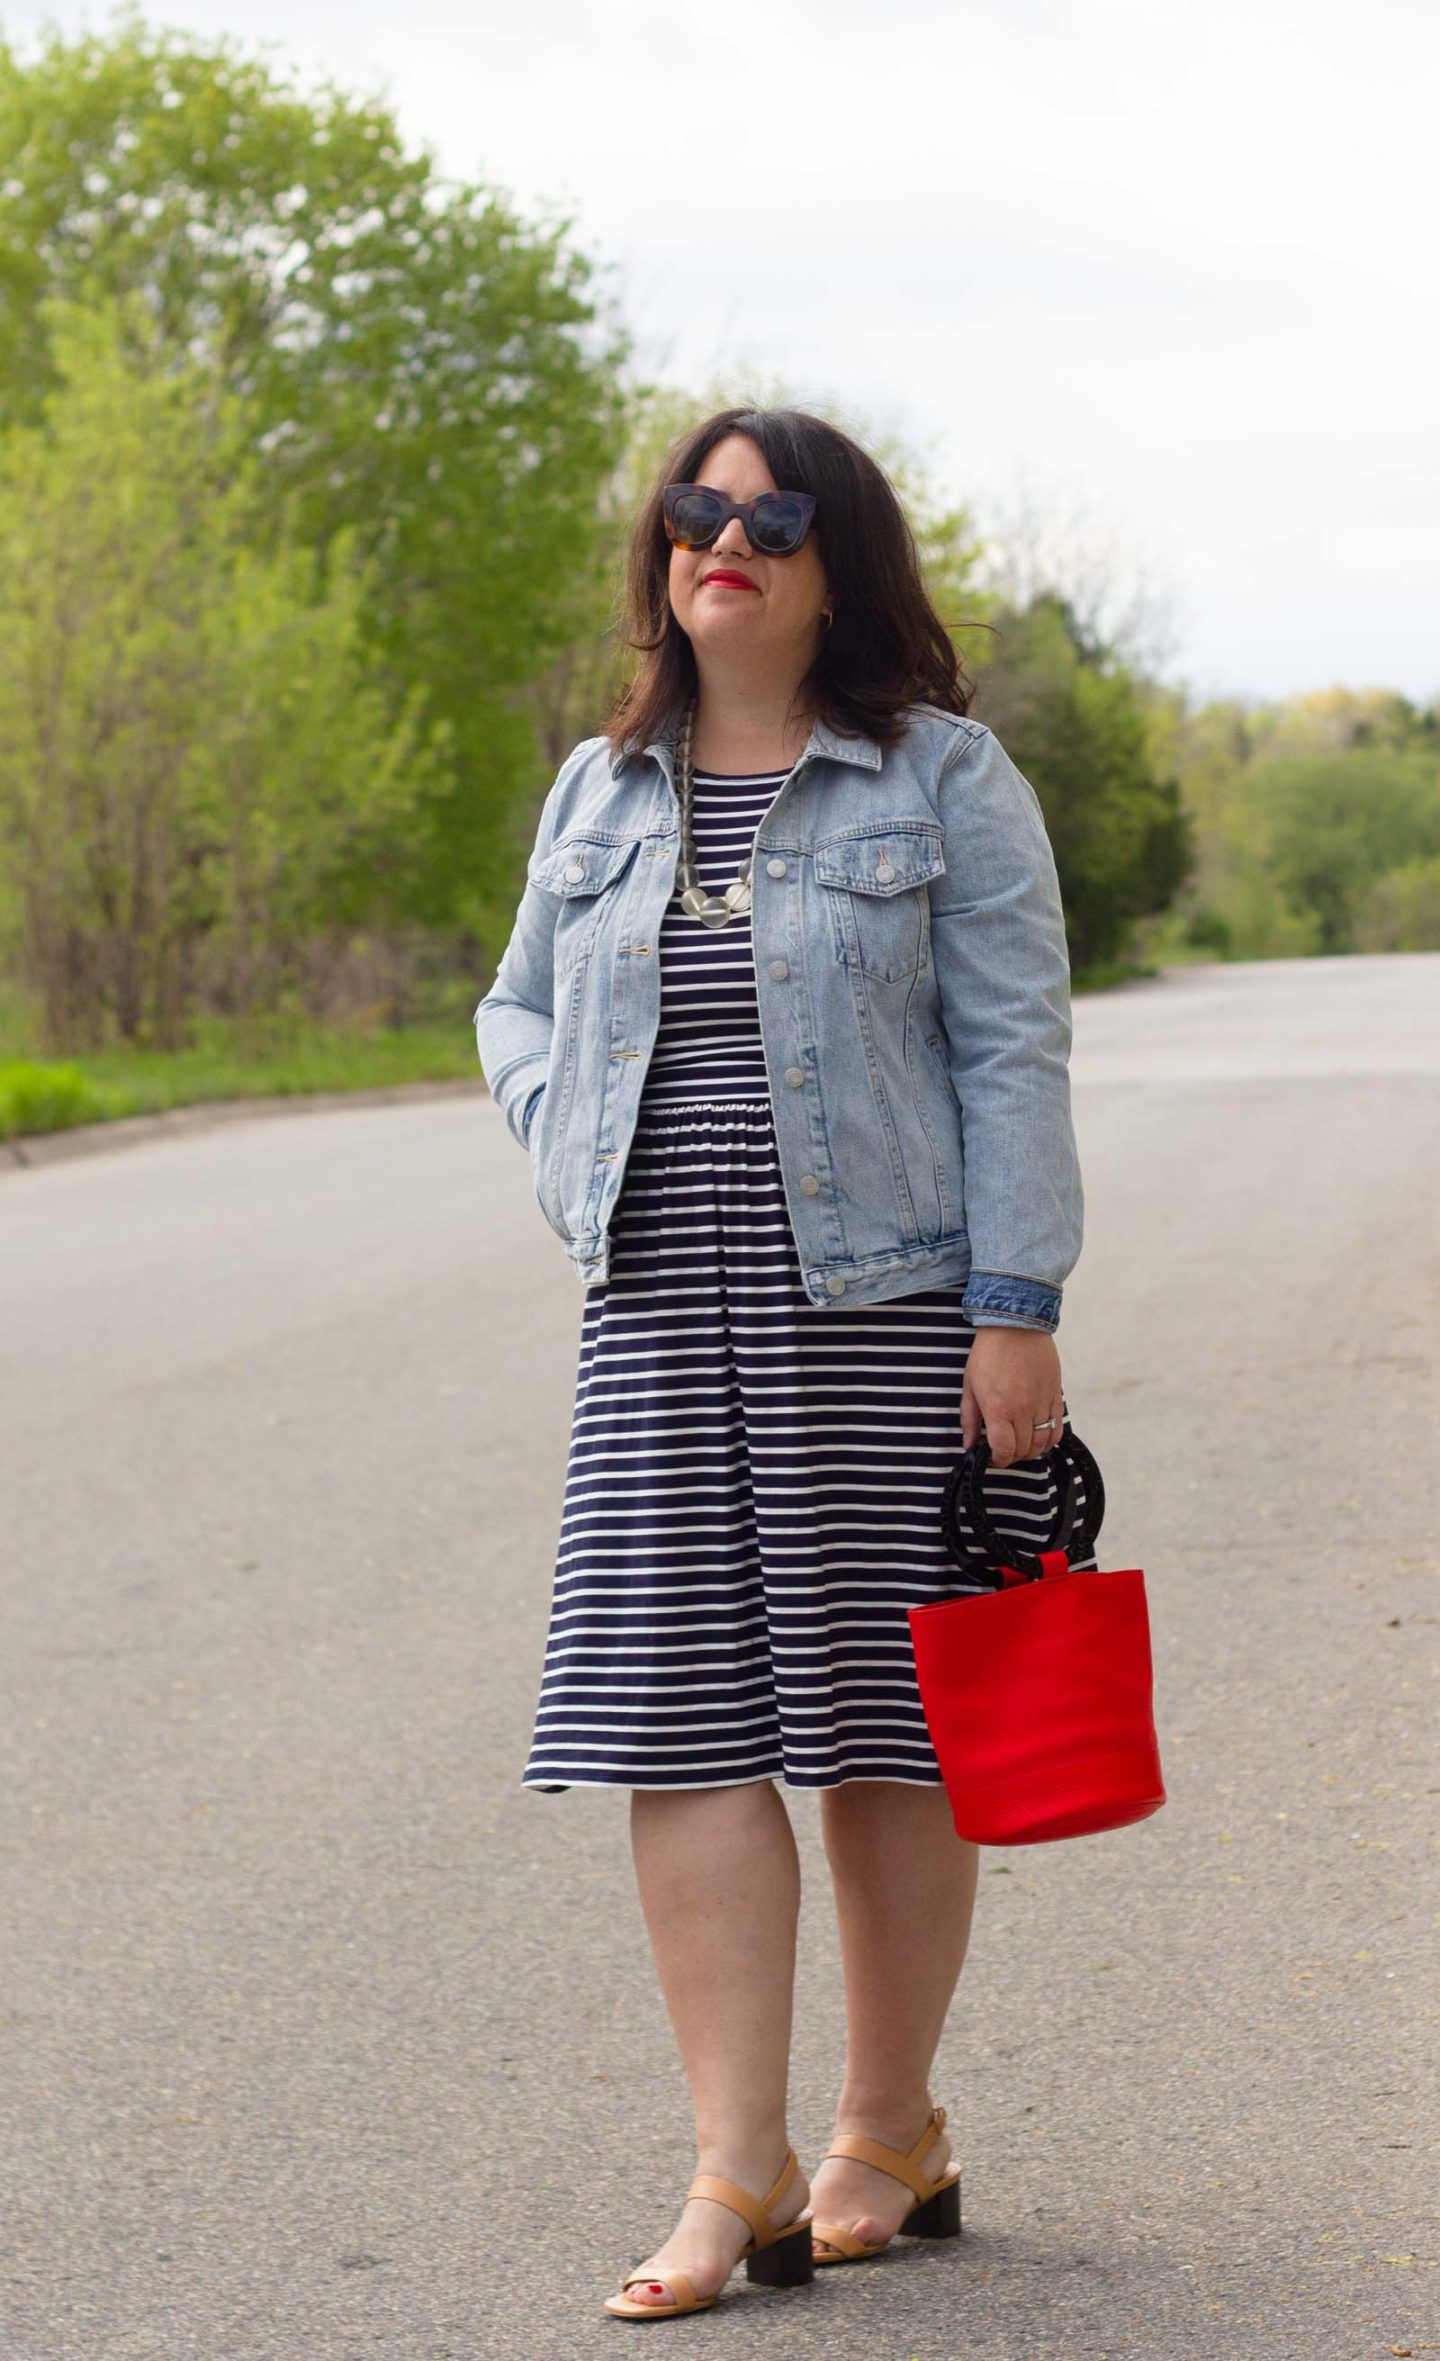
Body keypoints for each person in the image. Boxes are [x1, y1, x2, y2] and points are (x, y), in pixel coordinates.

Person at [473, 406, 1093, 2321]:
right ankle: (729, 2165)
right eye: (696, 508)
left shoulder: (943, 778)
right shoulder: (600, 786)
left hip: (889, 1306)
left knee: (891, 1724)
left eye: (772, 513)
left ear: (843, 562)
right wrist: (575, 1127)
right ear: (662, 552)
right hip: (661, 1307)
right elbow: (511, 1007)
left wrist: (1017, 1306)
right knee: (682, 1720)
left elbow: (1012, 1049)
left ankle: (883, 2127)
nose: (722, 537)